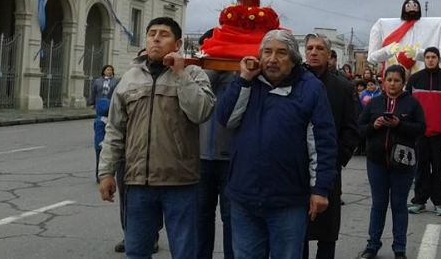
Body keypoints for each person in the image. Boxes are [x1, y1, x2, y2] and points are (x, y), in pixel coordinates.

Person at [97, 17, 215, 257]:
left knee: (185, 253)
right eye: (152, 34)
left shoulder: (194, 74)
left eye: (164, 34)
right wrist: (106, 172)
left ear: (178, 43)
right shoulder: (130, 77)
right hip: (138, 183)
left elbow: (201, 112)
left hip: (181, 183)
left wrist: (180, 74)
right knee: (136, 252)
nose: (156, 39)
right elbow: (115, 129)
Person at [216, 30, 337, 259]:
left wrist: (320, 189)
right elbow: (226, 118)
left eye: (281, 53)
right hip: (244, 195)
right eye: (267, 52)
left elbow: (323, 142)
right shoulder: (248, 82)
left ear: (293, 59)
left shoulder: (310, 88)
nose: (272, 59)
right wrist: (243, 80)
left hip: (288, 200)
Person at [302, 33, 361, 259]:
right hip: (298, 167)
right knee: (299, 230)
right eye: (310, 48)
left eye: (320, 48)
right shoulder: (296, 82)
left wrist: (337, 159)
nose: (314, 52)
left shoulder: (343, 87)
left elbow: (351, 129)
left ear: (329, 55)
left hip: (328, 168)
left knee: (327, 231)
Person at [358, 65, 426, 259]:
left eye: (397, 80)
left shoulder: (412, 104)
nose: (392, 84)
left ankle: (399, 248)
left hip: (403, 163)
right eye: (389, 80)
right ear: (383, 82)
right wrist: (374, 125)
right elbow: (360, 129)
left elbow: (421, 128)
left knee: (399, 205)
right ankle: (372, 246)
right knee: (378, 204)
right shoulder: (374, 103)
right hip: (376, 162)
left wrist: (399, 124)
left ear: (403, 83)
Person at [406, 47, 441, 215]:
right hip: (419, 133)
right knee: (420, 168)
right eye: (427, 57)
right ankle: (419, 201)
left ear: (438, 59)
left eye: (433, 57)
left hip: (439, 133)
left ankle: (440, 203)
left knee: (438, 169)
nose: (430, 60)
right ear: (424, 59)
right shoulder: (414, 79)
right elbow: (408, 105)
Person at [198, 69, 236, 259]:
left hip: (231, 160)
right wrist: (211, 70)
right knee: (201, 216)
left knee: (231, 218)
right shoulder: (200, 75)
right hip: (201, 157)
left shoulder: (239, 76)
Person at [367, 0, 441, 75]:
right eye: (408, 5)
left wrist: (417, 53)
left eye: (414, 5)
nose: (411, 8)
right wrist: (388, 50)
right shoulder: (382, 25)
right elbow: (372, 57)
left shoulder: (439, 23)